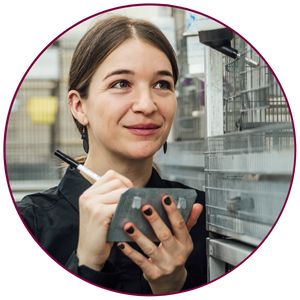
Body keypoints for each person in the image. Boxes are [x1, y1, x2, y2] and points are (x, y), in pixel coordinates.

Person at [16, 15, 208, 294]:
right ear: (79, 106)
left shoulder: (203, 217)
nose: (147, 104)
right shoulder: (32, 223)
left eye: (162, 84)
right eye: (121, 83)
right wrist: (87, 265)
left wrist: (172, 285)